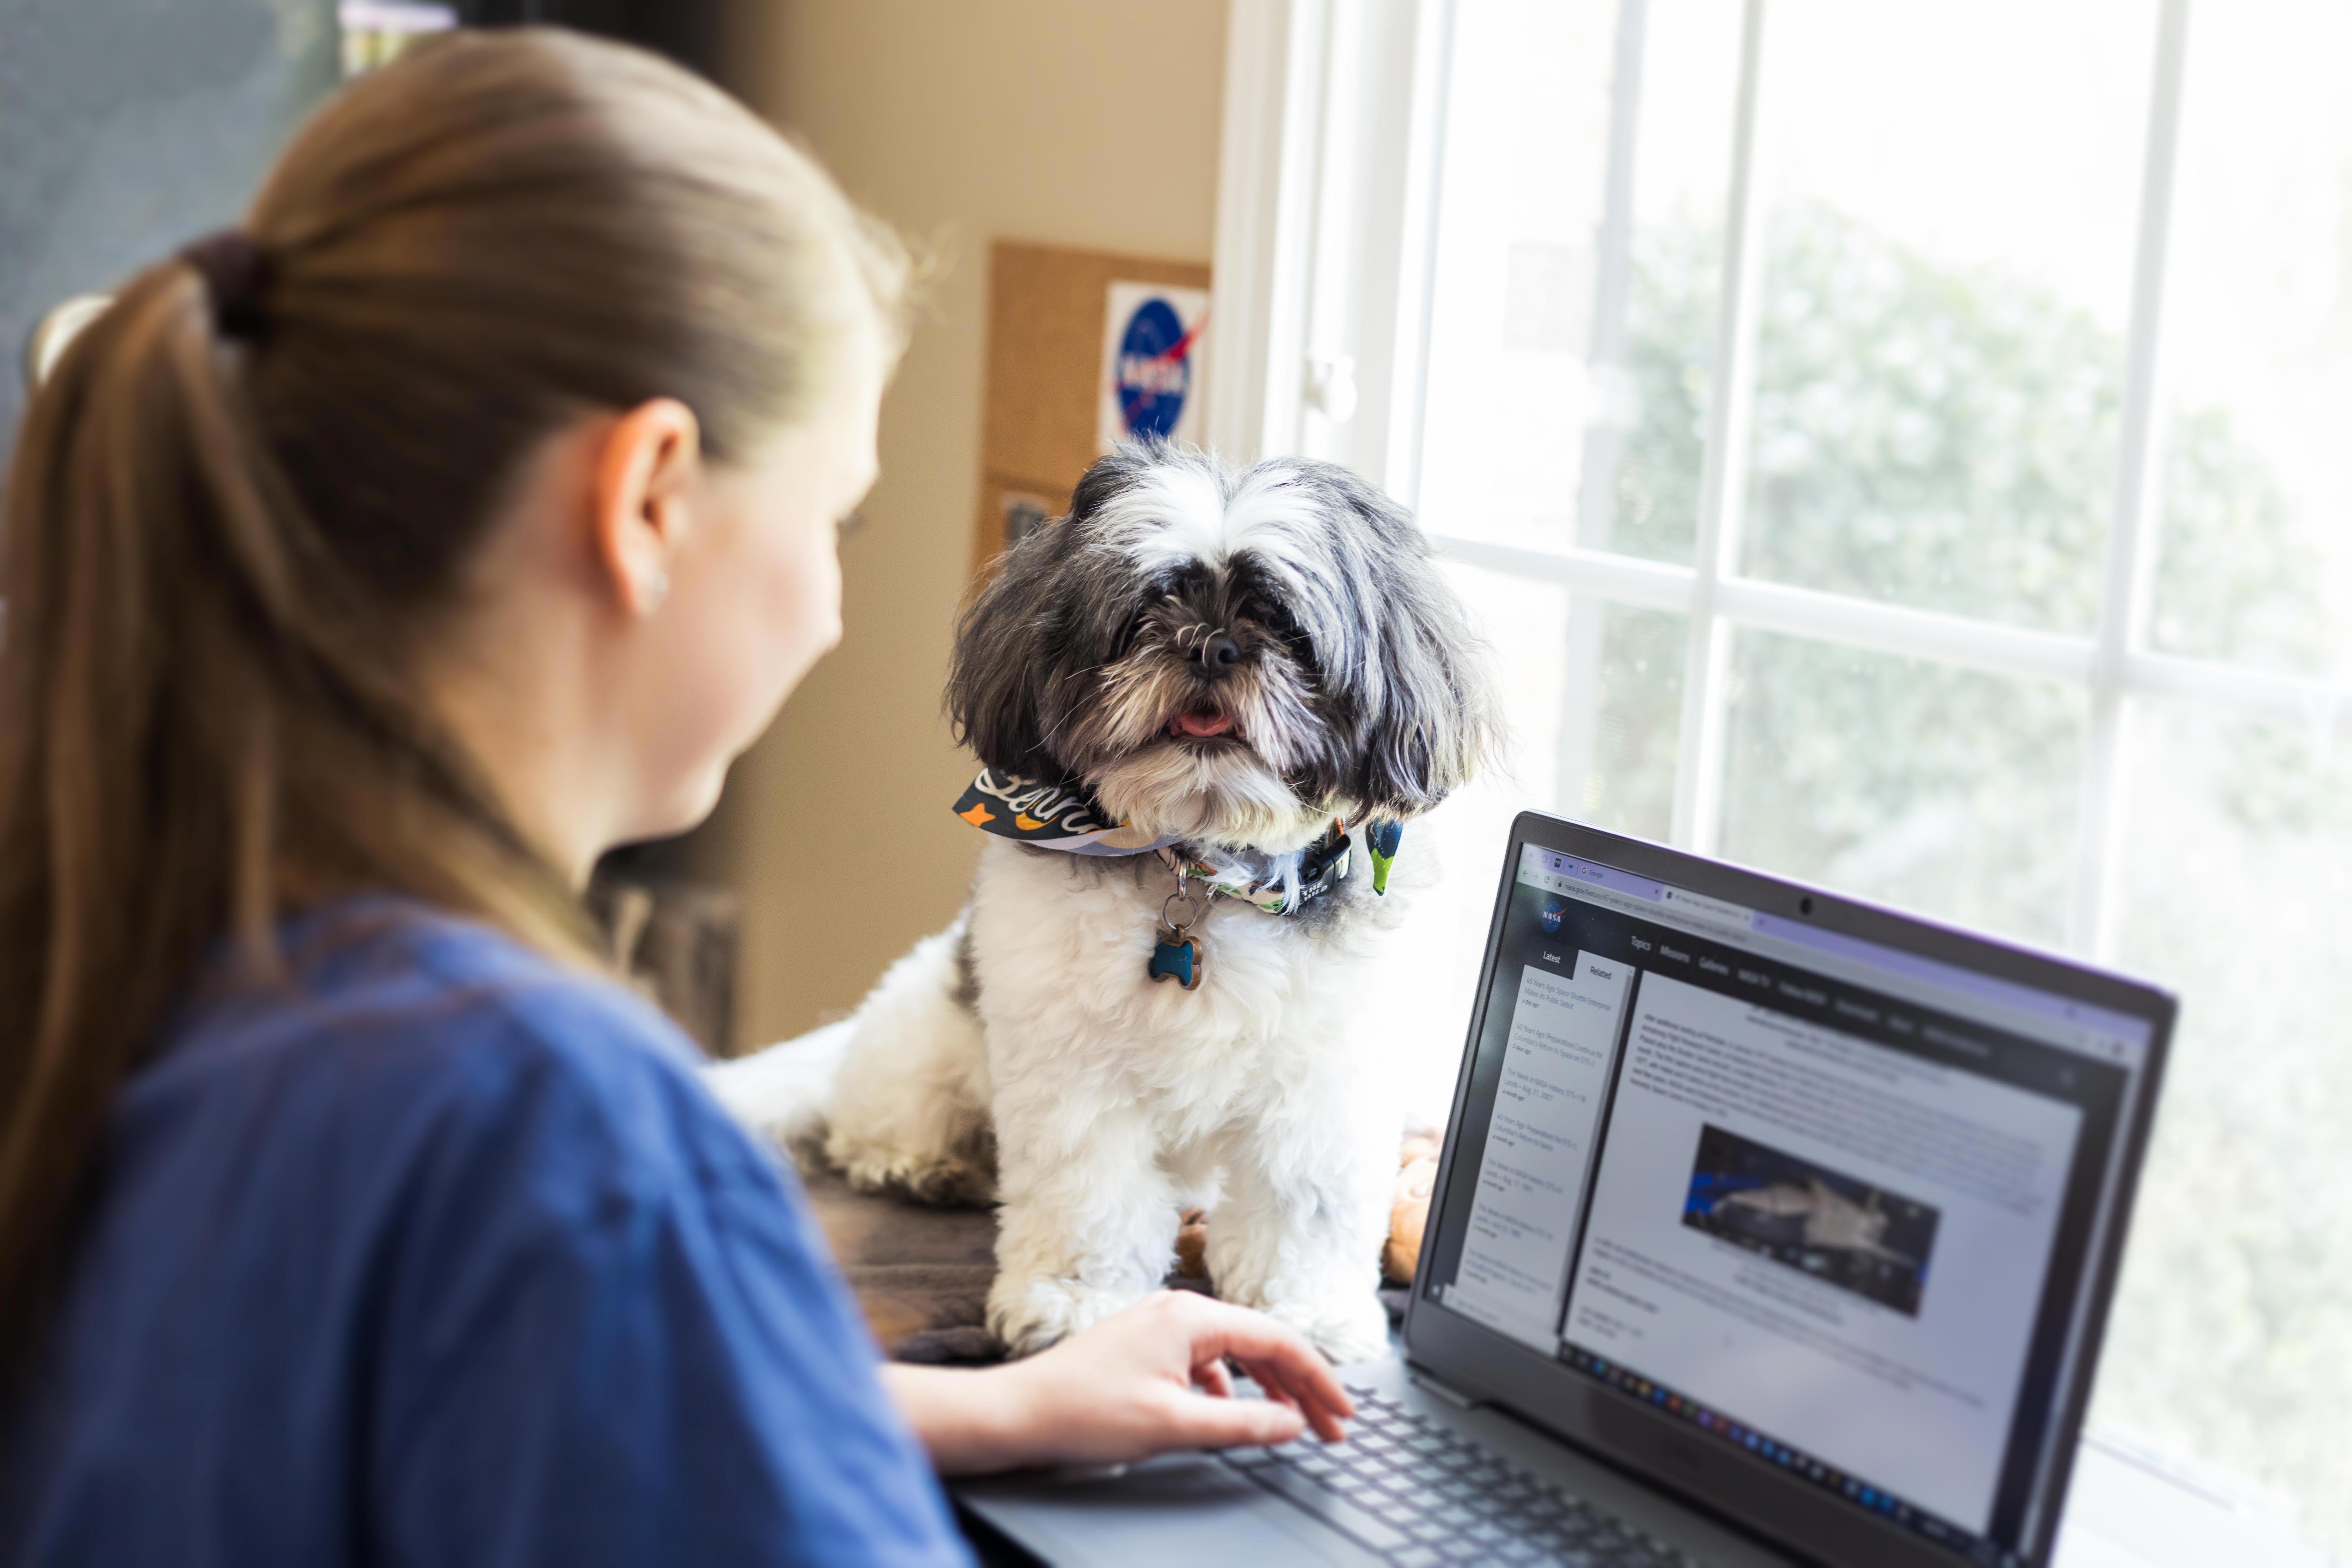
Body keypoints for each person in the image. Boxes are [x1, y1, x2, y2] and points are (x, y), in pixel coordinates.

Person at [0, 28, 1352, 1565]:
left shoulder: (154, 932)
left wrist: (986, 1407)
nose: (838, 608)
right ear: (647, 499)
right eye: (833, 516)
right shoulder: (561, 1131)